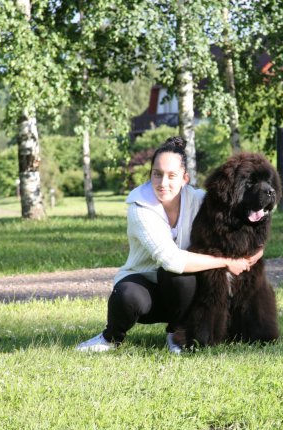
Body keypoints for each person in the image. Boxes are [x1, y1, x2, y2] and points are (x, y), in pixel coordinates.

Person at [75, 136, 263, 354]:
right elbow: (171, 260)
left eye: (171, 175)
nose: (163, 183)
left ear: (185, 178)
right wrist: (227, 262)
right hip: (145, 287)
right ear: (150, 175)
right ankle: (109, 338)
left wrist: (256, 250)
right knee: (127, 294)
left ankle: (177, 333)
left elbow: (239, 217)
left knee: (182, 278)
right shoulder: (139, 207)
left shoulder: (199, 199)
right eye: (157, 174)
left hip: (184, 290)